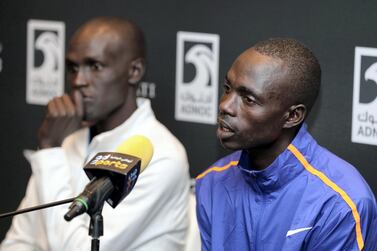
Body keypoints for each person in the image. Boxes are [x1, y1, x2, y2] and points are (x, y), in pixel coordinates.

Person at [1, 17, 192, 251]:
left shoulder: (162, 155)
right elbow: (19, 241)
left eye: (95, 66)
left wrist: (50, 151)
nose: (79, 81)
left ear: (135, 71)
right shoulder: (69, 144)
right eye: (73, 68)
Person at [195, 38, 377, 250]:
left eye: (248, 99)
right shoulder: (211, 182)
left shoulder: (341, 203)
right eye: (227, 88)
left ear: (292, 116)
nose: (225, 105)